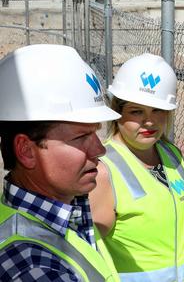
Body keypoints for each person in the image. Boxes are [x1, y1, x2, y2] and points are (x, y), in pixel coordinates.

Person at [89, 53, 184, 282]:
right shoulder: (103, 171)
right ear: (117, 111)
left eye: (157, 110)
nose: (150, 121)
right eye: (136, 111)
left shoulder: (171, 155)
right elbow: (89, 256)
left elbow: (177, 218)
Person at [0, 44, 121, 281]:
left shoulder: (69, 207)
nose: (99, 149)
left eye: (95, 133)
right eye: (81, 137)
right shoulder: (31, 267)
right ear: (26, 151)